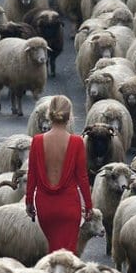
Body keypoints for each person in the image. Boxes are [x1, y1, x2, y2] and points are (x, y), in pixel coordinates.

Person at [25, 94, 93, 253]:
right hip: (69, 207)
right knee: (67, 256)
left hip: (45, 207)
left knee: (52, 253)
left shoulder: (37, 141)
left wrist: (29, 201)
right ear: (69, 117)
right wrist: (89, 205)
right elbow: (82, 177)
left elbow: (32, 175)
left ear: (49, 115)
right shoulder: (76, 143)